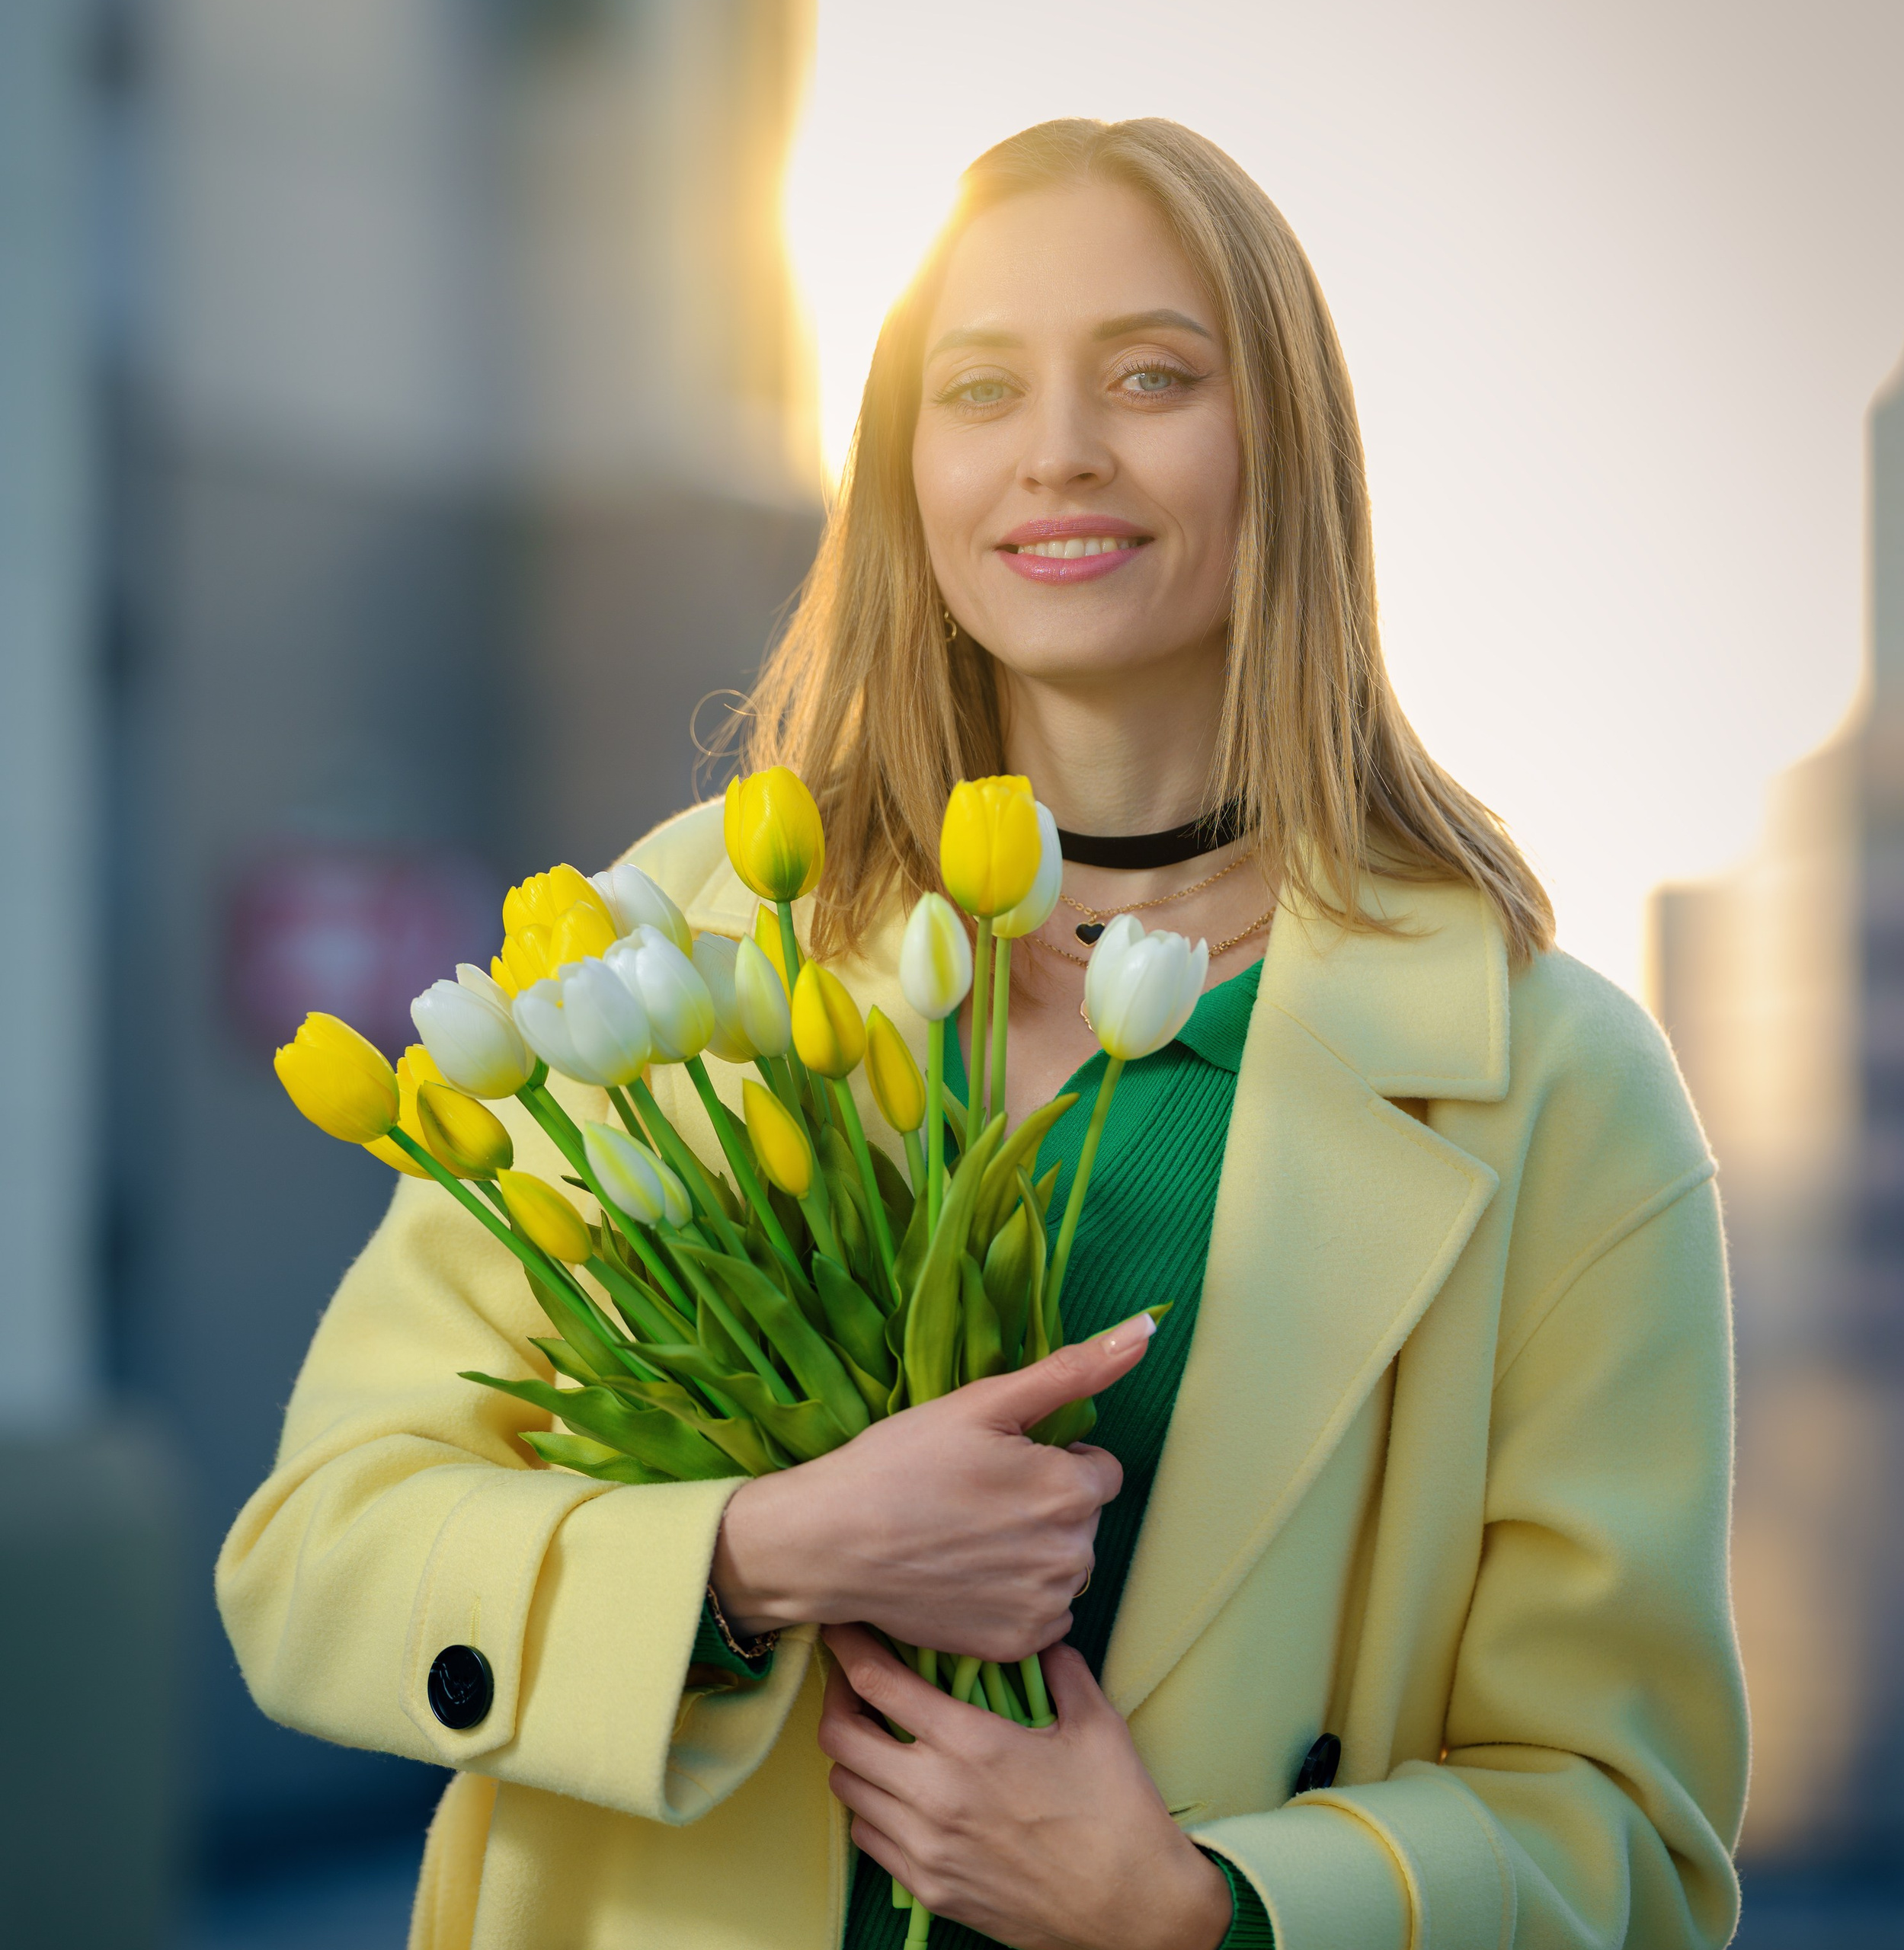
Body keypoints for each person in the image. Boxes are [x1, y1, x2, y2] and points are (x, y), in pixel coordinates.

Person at [219, 118, 1746, 1950]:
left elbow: (1625, 1831)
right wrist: (765, 1552)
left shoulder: (1556, 1087)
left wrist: (1198, 1909)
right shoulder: (675, 945)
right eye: (978, 387)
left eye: (1152, 376)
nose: (1058, 450)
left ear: (1286, 445)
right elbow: (320, 1557)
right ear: (904, 464)